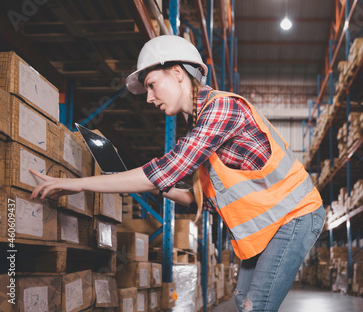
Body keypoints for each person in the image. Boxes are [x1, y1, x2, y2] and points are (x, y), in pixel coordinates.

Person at [30, 35, 325, 312]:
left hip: (296, 215)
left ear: (178, 73)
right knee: (242, 298)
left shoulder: (221, 109)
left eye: (151, 85)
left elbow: (163, 171)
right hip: (271, 223)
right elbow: (204, 201)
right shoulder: (200, 128)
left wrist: (78, 184)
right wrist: (145, 183)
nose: (148, 97)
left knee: (255, 304)